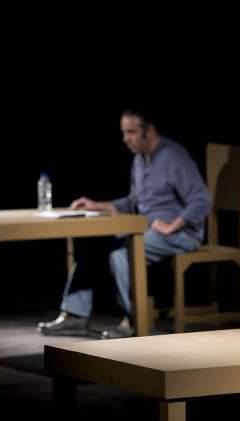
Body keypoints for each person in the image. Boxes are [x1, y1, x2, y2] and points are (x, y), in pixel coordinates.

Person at [38, 109, 211, 338]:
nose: (126, 139)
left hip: (181, 234)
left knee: (123, 254)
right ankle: (75, 316)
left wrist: (173, 225)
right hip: (146, 229)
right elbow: (133, 202)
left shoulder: (173, 156)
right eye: (124, 133)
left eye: (131, 132)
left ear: (149, 131)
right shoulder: (139, 160)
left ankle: (134, 321)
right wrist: (98, 205)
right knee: (93, 244)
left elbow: (201, 199)